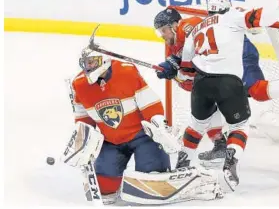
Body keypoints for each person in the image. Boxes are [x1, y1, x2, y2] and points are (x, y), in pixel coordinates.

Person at [155, 0, 279, 191]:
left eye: (163, 30)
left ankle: (182, 164)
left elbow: (187, 74)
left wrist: (175, 70)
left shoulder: (192, 30)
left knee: (197, 123)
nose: (162, 35)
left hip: (208, 77)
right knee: (239, 125)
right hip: (228, 78)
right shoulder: (229, 17)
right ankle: (230, 157)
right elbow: (260, 16)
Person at [61, 46, 221, 205]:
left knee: (153, 177)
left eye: (92, 62)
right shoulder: (79, 85)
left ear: (104, 60)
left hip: (142, 136)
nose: (88, 67)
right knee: (104, 188)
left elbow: (149, 103)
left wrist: (158, 124)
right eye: (85, 63)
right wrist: (82, 142)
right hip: (111, 141)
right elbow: (83, 121)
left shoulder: (126, 72)